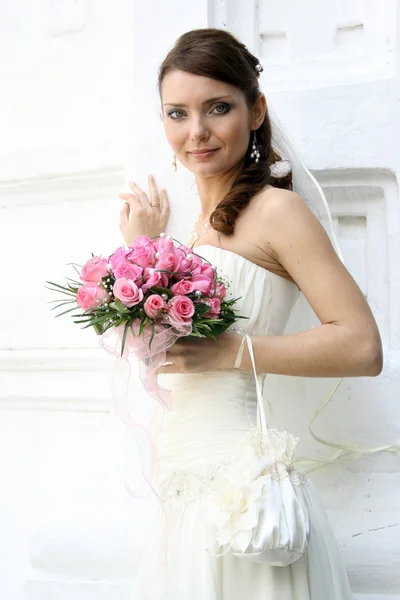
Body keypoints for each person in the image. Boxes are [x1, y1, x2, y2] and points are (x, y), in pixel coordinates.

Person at [118, 28, 383, 600]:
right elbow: (161, 358)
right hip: (184, 486)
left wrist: (231, 351)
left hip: (241, 493)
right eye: (177, 113)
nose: (197, 132)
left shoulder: (277, 212)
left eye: (218, 108)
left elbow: (362, 346)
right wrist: (143, 251)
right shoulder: (188, 231)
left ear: (256, 109)